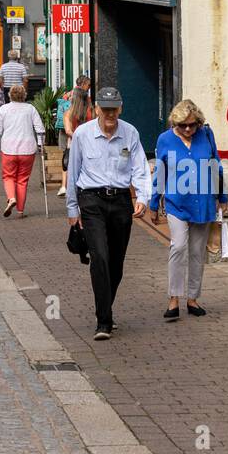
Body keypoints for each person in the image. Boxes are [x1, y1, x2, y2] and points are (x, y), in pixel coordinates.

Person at [67, 85, 150, 341]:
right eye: (106, 109)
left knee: (116, 263)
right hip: (91, 200)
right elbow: (73, 171)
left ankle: (106, 308)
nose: (110, 114)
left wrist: (143, 196)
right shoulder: (82, 134)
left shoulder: (130, 133)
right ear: (97, 109)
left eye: (114, 109)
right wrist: (72, 208)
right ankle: (103, 321)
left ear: (120, 108)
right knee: (100, 257)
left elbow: (140, 167)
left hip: (121, 201)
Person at [150, 99, 226, 320]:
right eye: (182, 125)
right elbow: (161, 173)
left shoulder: (206, 135)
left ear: (199, 122)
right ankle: (173, 298)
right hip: (176, 203)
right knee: (179, 246)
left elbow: (216, 165)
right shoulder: (165, 139)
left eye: (192, 125)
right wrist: (154, 203)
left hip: (203, 203)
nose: (187, 130)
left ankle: (192, 299)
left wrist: (222, 196)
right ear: (175, 122)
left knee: (196, 252)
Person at [0, 83, 45, 219]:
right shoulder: (30, 109)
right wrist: (41, 145)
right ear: (24, 95)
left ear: (10, 95)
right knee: (23, 180)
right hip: (27, 149)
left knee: (8, 176)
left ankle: (11, 198)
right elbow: (40, 129)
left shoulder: (3, 109)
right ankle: (20, 210)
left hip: (9, 148)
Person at [58, 80, 94, 197]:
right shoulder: (92, 112)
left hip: (74, 145)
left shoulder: (68, 113)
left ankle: (74, 196)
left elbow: (68, 131)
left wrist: (77, 137)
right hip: (91, 144)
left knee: (74, 171)